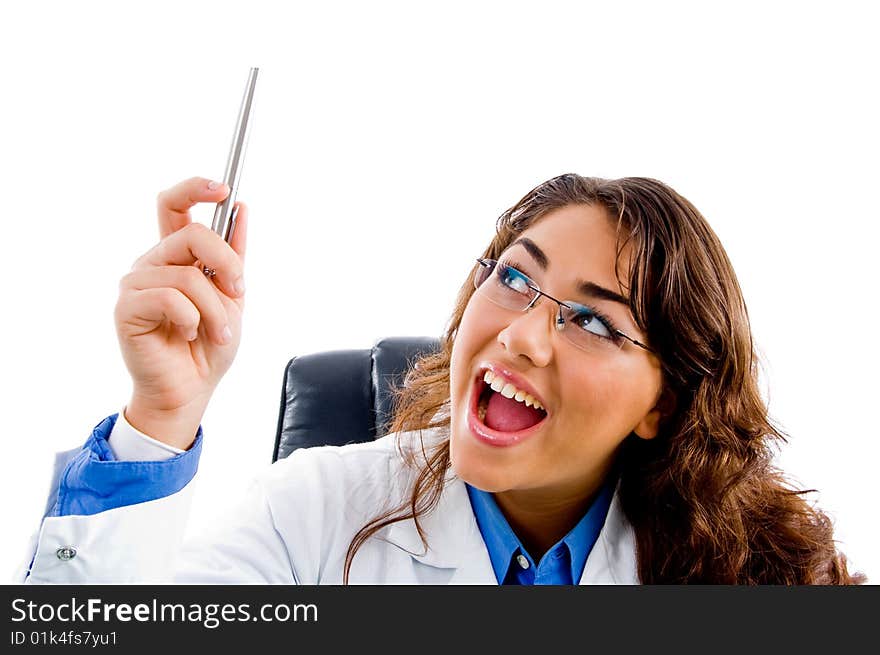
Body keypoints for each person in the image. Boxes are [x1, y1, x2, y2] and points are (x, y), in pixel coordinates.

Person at [20, 174, 865, 585]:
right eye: (515, 279)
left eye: (596, 320)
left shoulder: (756, 568)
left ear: (664, 404)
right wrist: (163, 412)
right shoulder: (310, 516)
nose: (525, 334)